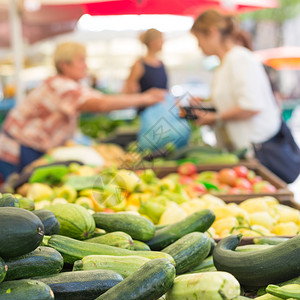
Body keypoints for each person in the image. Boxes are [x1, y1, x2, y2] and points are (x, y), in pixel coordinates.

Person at [0, 42, 165, 180]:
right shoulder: (60, 86)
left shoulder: (70, 86)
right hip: (17, 150)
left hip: (33, 148)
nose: (85, 65)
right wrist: (144, 98)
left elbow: (101, 98)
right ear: (64, 65)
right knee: (16, 198)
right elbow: (101, 104)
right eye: (80, 60)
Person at [190, 9, 281, 152]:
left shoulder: (239, 58)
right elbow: (230, 101)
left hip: (259, 149)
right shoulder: (224, 63)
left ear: (212, 32)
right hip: (243, 149)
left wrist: (216, 118)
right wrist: (204, 104)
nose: (198, 46)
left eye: (198, 39)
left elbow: (251, 106)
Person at [122, 28, 168, 96]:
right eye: (160, 39)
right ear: (152, 41)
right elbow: (128, 92)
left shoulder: (161, 63)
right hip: (146, 105)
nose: (163, 42)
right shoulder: (139, 65)